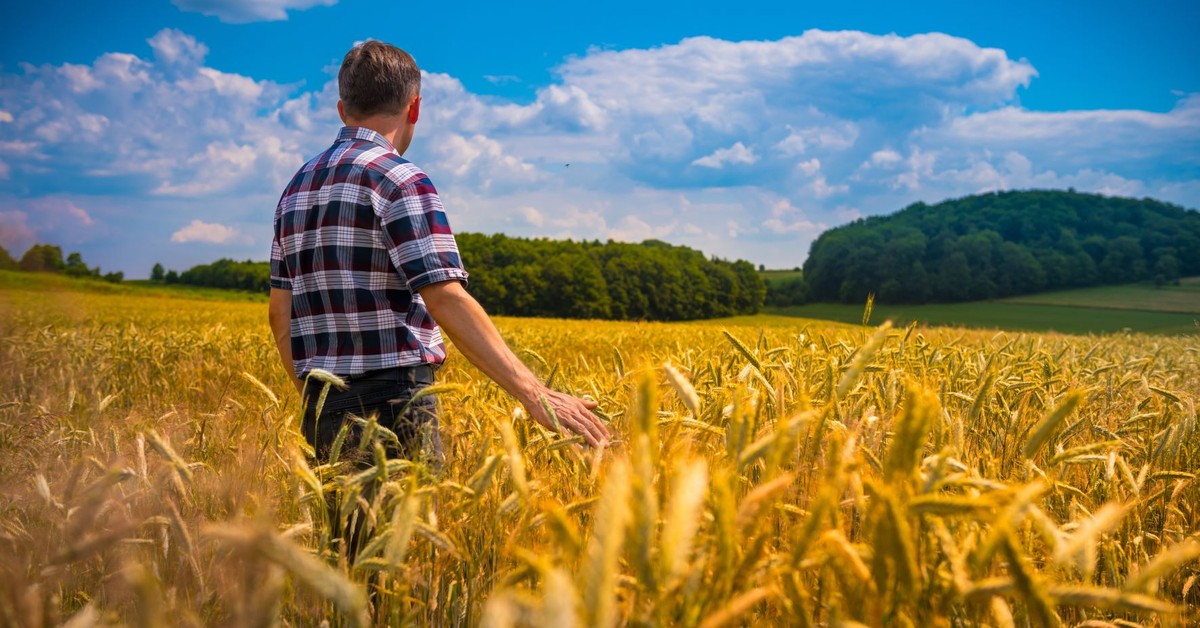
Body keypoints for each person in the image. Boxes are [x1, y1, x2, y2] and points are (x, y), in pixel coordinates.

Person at [268, 41, 611, 471]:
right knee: (406, 536)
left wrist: (312, 399)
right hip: (393, 403)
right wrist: (534, 392)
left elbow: (281, 313)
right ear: (415, 108)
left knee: (343, 538)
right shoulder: (399, 180)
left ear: (342, 109)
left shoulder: (295, 189)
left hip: (319, 402)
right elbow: (444, 295)